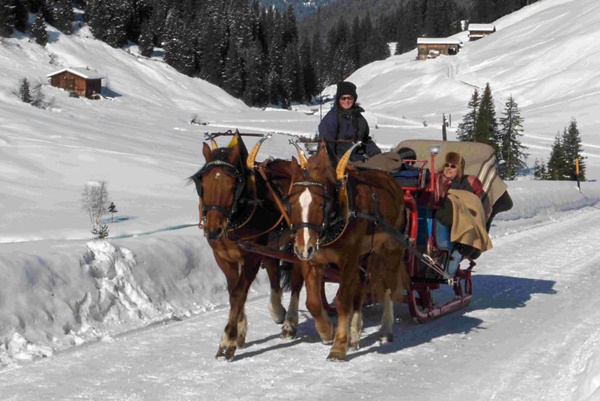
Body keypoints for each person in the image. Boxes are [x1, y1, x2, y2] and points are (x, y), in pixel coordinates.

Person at [318, 81, 381, 162]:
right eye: (343, 98)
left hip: (359, 160)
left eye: (349, 98)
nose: (346, 101)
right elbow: (326, 145)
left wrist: (377, 154)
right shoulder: (332, 117)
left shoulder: (359, 118)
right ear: (338, 99)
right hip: (340, 162)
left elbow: (365, 141)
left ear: (354, 99)